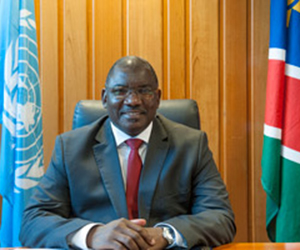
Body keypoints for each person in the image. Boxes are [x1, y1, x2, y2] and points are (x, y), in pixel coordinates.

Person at [20, 56, 236, 249]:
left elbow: (220, 217)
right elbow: (33, 220)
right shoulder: (71, 148)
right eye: (120, 91)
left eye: (144, 91)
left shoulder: (191, 145)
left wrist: (165, 234)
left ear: (158, 98)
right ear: (105, 98)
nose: (133, 101)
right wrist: (93, 235)